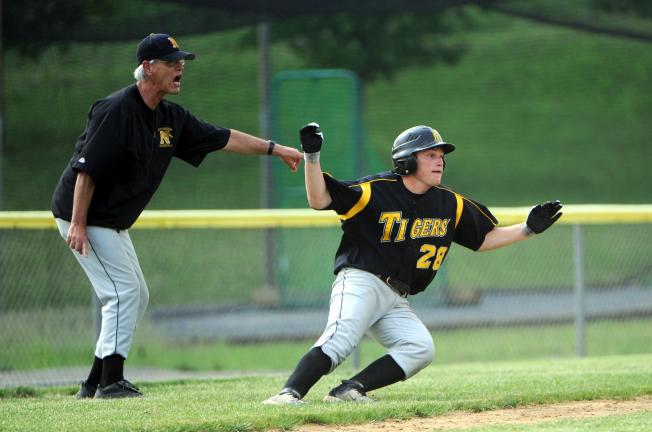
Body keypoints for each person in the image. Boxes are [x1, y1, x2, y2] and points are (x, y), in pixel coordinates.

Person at [51, 33, 302, 399]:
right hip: (85, 215)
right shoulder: (116, 109)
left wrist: (276, 149)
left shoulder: (170, 118)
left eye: (181, 60)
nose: (180, 66)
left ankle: (94, 381)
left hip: (111, 219)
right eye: (172, 61)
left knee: (137, 294)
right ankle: (110, 383)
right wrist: (76, 223)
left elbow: (222, 137)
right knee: (122, 293)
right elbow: (86, 170)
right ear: (148, 68)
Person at [263, 123, 562, 404]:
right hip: (362, 280)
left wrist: (528, 229)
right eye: (431, 154)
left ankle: (350, 389)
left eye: (441, 156)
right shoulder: (374, 190)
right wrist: (312, 157)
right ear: (406, 160)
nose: (440, 161)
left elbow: (484, 238)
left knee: (420, 347)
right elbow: (319, 199)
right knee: (340, 339)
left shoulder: (450, 204)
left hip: (397, 296)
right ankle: (289, 393)